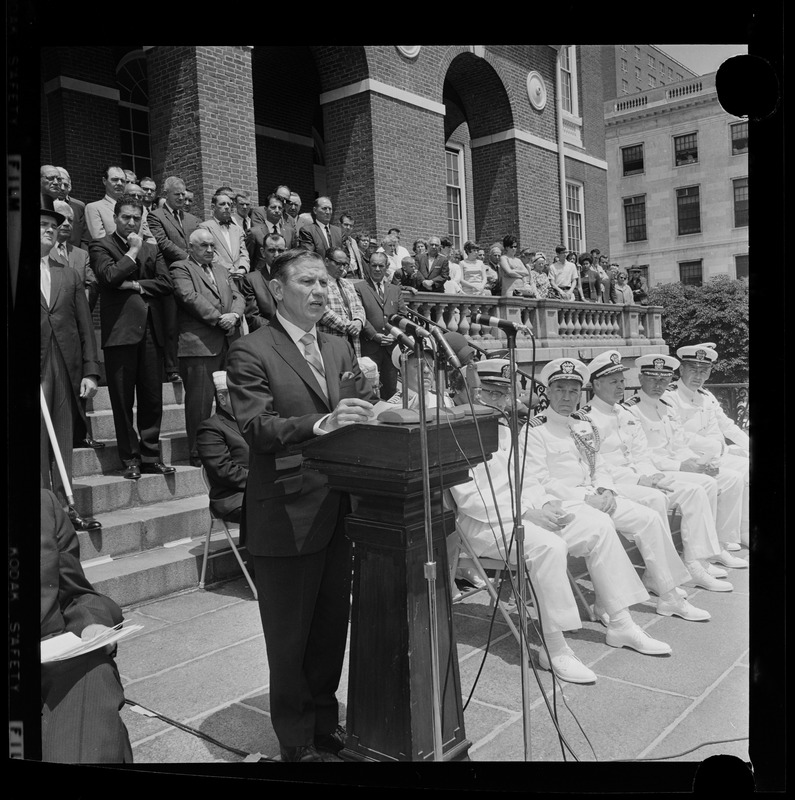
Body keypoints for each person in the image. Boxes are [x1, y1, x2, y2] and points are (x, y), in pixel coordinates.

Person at [225, 248, 377, 763]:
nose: (318, 292)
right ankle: (294, 741)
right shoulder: (251, 349)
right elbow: (256, 428)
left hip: (339, 506)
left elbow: (348, 406)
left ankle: (322, 722)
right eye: (307, 282)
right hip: (286, 513)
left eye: (324, 284)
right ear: (276, 288)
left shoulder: (336, 346)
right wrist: (322, 423)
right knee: (290, 637)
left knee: (331, 627)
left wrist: (368, 396)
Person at [447, 360, 671, 680]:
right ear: (466, 393)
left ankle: (621, 624)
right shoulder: (455, 433)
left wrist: (545, 503)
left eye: (503, 395)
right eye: (490, 394)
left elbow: (526, 481)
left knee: (597, 525)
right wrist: (527, 513)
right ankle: (554, 648)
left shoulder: (503, 429)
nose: (499, 403)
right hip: (485, 524)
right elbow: (472, 501)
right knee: (550, 546)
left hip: (523, 510)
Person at [522, 358, 708, 631]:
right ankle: (611, 606)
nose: (567, 397)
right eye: (560, 389)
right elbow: (541, 482)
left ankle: (669, 596)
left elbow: (600, 466)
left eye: (573, 391)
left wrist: (605, 489)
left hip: (597, 495)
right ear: (548, 392)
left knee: (650, 519)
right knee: (604, 527)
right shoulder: (534, 430)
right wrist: (587, 499)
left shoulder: (583, 424)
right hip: (568, 502)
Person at [583, 350, 730, 596]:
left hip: (641, 476)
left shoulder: (625, 414)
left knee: (693, 490)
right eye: (613, 382)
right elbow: (599, 467)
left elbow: (640, 455)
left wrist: (653, 476)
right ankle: (658, 574)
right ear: (596, 384)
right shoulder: (587, 419)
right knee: (656, 498)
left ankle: (694, 563)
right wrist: (642, 480)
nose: (620, 387)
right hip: (617, 483)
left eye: (621, 381)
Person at [622, 354, 747, 571]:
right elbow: (643, 455)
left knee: (732, 478)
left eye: (663, 379)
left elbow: (679, 444)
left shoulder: (666, 406)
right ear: (641, 379)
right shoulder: (631, 410)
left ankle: (721, 545)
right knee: (705, 485)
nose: (658, 385)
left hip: (680, 463)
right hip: (658, 471)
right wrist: (684, 465)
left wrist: (695, 462)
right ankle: (697, 560)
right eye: (653, 379)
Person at [40, 488, 133, 763]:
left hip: (51, 659)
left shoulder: (44, 503)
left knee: (95, 671)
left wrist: (92, 624)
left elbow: (76, 593)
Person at [90, 196, 176, 480]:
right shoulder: (101, 245)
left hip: (151, 332)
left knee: (152, 397)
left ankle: (151, 456)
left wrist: (137, 284)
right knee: (122, 400)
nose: (131, 222)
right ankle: (130, 460)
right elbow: (109, 277)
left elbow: (166, 283)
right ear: (115, 217)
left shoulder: (154, 249)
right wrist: (133, 251)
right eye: (125, 217)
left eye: (136, 218)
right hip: (120, 334)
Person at [40, 207, 102, 531]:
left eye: (54, 225)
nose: (50, 230)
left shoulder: (69, 274)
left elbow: (84, 326)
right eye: (43, 225)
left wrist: (91, 371)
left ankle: (68, 509)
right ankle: (44, 515)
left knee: (63, 439)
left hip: (65, 364)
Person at [664, 343, 750, 551]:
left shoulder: (706, 396)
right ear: (681, 370)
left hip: (717, 455)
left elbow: (727, 425)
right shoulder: (670, 397)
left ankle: (739, 531)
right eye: (693, 369)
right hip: (694, 459)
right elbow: (678, 435)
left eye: (704, 370)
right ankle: (721, 537)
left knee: (748, 465)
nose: (698, 375)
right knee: (735, 476)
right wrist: (713, 447)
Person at [171, 229, 244, 467]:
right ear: (191, 247)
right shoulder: (181, 268)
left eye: (213, 246)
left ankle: (228, 445)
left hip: (227, 342)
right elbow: (189, 296)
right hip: (199, 345)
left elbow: (238, 296)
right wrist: (218, 318)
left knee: (229, 399)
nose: (211, 250)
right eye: (204, 246)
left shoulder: (222, 270)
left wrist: (234, 314)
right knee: (200, 404)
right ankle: (198, 452)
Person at [51, 200, 102, 451]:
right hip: (53, 325)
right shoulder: (43, 253)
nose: (67, 223)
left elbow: (92, 282)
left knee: (80, 376)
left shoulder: (80, 254)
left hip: (77, 323)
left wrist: (83, 306)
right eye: (62, 218)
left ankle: (81, 434)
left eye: (71, 220)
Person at [147, 176, 203, 382]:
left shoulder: (192, 219)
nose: (181, 197)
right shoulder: (156, 216)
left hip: (193, 277)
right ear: (166, 194)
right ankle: (172, 369)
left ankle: (191, 361)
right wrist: (189, 258)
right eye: (176, 194)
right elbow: (162, 242)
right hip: (170, 275)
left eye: (183, 193)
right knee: (170, 322)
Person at [196, 371, 249, 525]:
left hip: (261, 488)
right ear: (222, 398)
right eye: (239, 394)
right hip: (233, 496)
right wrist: (261, 479)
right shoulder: (210, 428)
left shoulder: (252, 421)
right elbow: (224, 471)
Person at [355, 250, 409, 399]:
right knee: (369, 392)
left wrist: (395, 334)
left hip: (391, 349)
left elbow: (402, 315)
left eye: (380, 266)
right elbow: (359, 314)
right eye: (374, 265)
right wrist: (374, 335)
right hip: (370, 347)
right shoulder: (359, 288)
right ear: (369, 266)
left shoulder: (395, 289)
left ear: (387, 266)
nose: (377, 269)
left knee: (390, 391)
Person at [317, 246, 367, 358]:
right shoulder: (318, 282)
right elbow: (322, 311)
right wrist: (349, 326)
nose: (342, 268)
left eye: (345, 264)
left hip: (353, 342)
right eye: (338, 263)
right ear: (326, 261)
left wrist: (359, 322)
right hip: (330, 341)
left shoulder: (348, 284)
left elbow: (359, 307)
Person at [198, 190, 250, 285]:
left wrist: (242, 269)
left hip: (239, 278)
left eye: (229, 205)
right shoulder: (205, 227)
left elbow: (244, 252)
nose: (226, 207)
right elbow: (209, 252)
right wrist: (228, 270)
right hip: (218, 279)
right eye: (222, 204)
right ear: (213, 207)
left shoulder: (237, 230)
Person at [241, 232, 284, 330]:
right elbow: (253, 318)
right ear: (263, 252)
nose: (276, 255)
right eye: (271, 250)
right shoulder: (251, 280)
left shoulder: (294, 277)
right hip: (268, 335)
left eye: (281, 250)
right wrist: (280, 330)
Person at [85, 166, 127, 240]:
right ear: (104, 181)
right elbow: (100, 240)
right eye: (115, 180)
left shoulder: (134, 207)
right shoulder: (94, 208)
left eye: (123, 181)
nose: (120, 183)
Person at [54, 167, 90, 249]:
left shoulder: (79, 206)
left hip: (74, 254)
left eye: (66, 185)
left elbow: (85, 239)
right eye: (59, 185)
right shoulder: (45, 204)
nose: (62, 188)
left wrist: (83, 256)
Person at [339, 214, 364, 278]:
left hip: (356, 275)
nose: (348, 228)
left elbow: (358, 260)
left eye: (351, 226)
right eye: (346, 224)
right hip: (343, 275)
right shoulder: (335, 240)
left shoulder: (353, 241)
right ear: (340, 224)